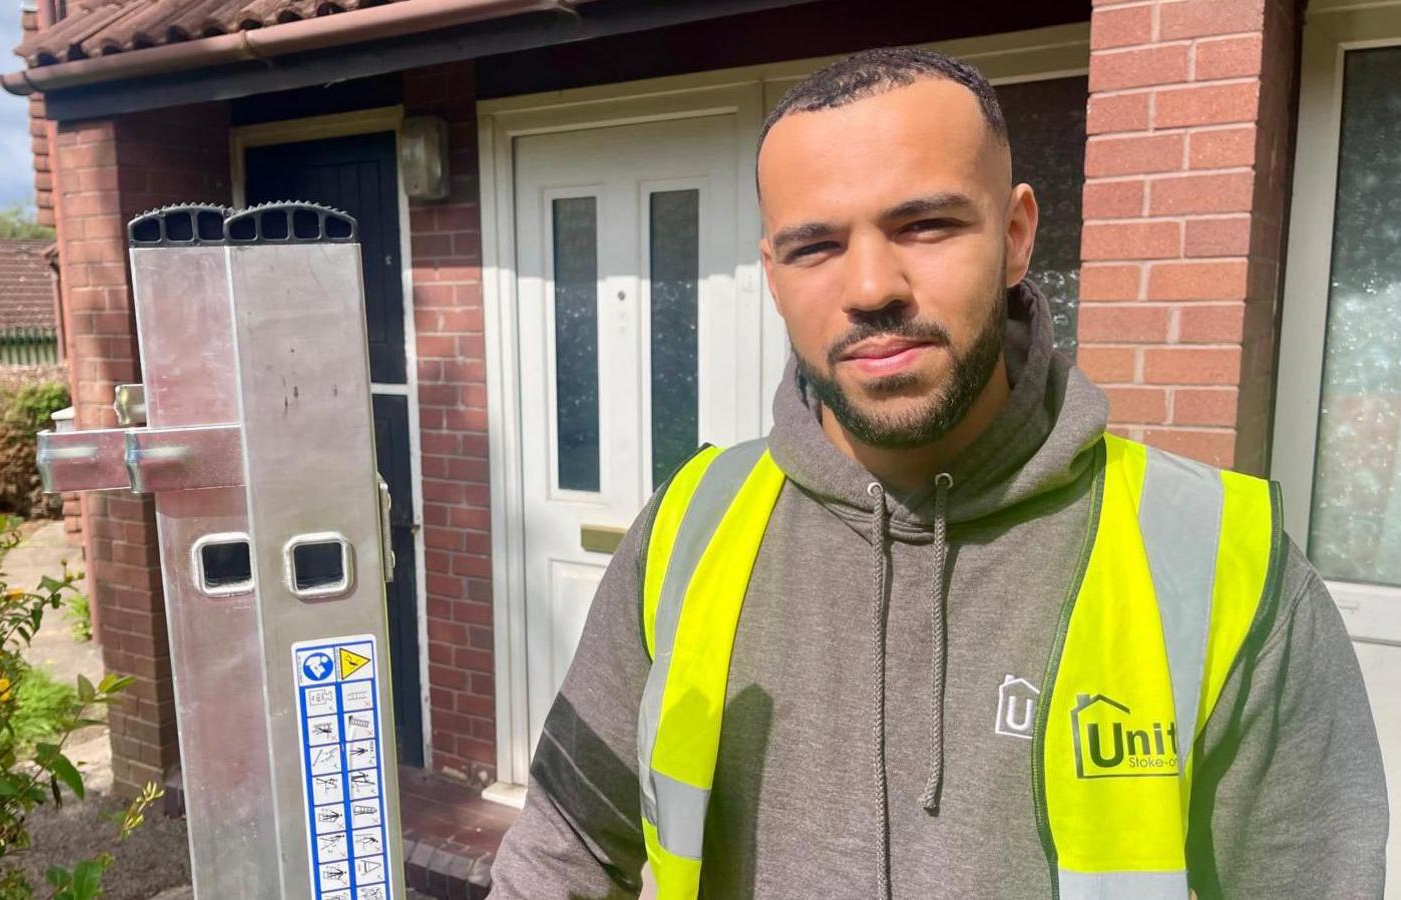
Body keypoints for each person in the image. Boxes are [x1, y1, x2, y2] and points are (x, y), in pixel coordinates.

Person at [487, 48, 1388, 899]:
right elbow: (563, 844)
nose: (872, 285)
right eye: (815, 246)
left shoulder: (1221, 564)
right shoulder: (688, 528)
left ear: (1017, 235)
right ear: (772, 272)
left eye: (924, 224)